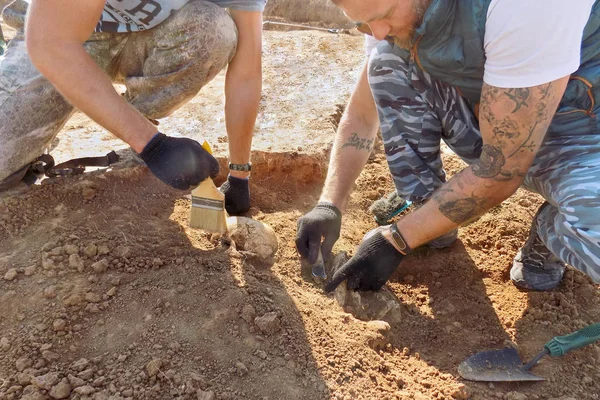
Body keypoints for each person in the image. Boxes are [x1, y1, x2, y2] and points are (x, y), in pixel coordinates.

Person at [296, 0, 600, 292]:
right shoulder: (385, 21)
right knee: (388, 62)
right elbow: (363, 114)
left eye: (385, 14)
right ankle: (428, 211)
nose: (376, 31)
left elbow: (503, 170)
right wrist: (329, 204)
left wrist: (398, 239)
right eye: (362, 23)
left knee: (594, 232)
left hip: (584, 134)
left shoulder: (527, 7)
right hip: (497, 115)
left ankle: (555, 224)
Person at [0, 0, 265, 215]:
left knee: (214, 29)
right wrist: (153, 145)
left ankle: (139, 125)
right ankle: (35, 146)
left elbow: (247, 74)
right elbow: (50, 42)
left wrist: (239, 173)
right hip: (65, 33)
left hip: (145, 39)